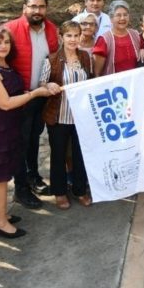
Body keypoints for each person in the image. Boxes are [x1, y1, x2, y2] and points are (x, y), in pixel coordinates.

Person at [0, 0, 59, 209]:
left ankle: (33, 177)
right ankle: (21, 190)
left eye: (42, 6)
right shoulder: (10, 29)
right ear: (24, 7)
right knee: (20, 143)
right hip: (19, 98)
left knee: (33, 139)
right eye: (33, 6)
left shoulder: (52, 30)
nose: (37, 11)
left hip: (40, 97)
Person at [0, 26, 52, 239]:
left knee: (2, 175)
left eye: (6, 42)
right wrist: (35, 93)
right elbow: (6, 103)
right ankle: (0, 223)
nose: (3, 46)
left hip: (8, 126)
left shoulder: (5, 66)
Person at [41, 21, 93, 209]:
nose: (73, 39)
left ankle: (80, 190)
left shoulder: (86, 57)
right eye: (69, 35)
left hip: (81, 118)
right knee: (59, 155)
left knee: (80, 154)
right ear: (61, 38)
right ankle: (60, 192)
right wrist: (48, 86)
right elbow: (41, 84)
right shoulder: (52, 59)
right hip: (59, 117)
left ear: (81, 37)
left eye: (76, 35)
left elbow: (91, 81)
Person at [93, 0, 144, 76]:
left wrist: (142, 49)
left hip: (134, 84)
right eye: (118, 15)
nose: (122, 18)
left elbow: (142, 46)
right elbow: (97, 72)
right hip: (114, 86)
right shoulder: (104, 40)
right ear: (111, 19)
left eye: (125, 15)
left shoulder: (135, 35)